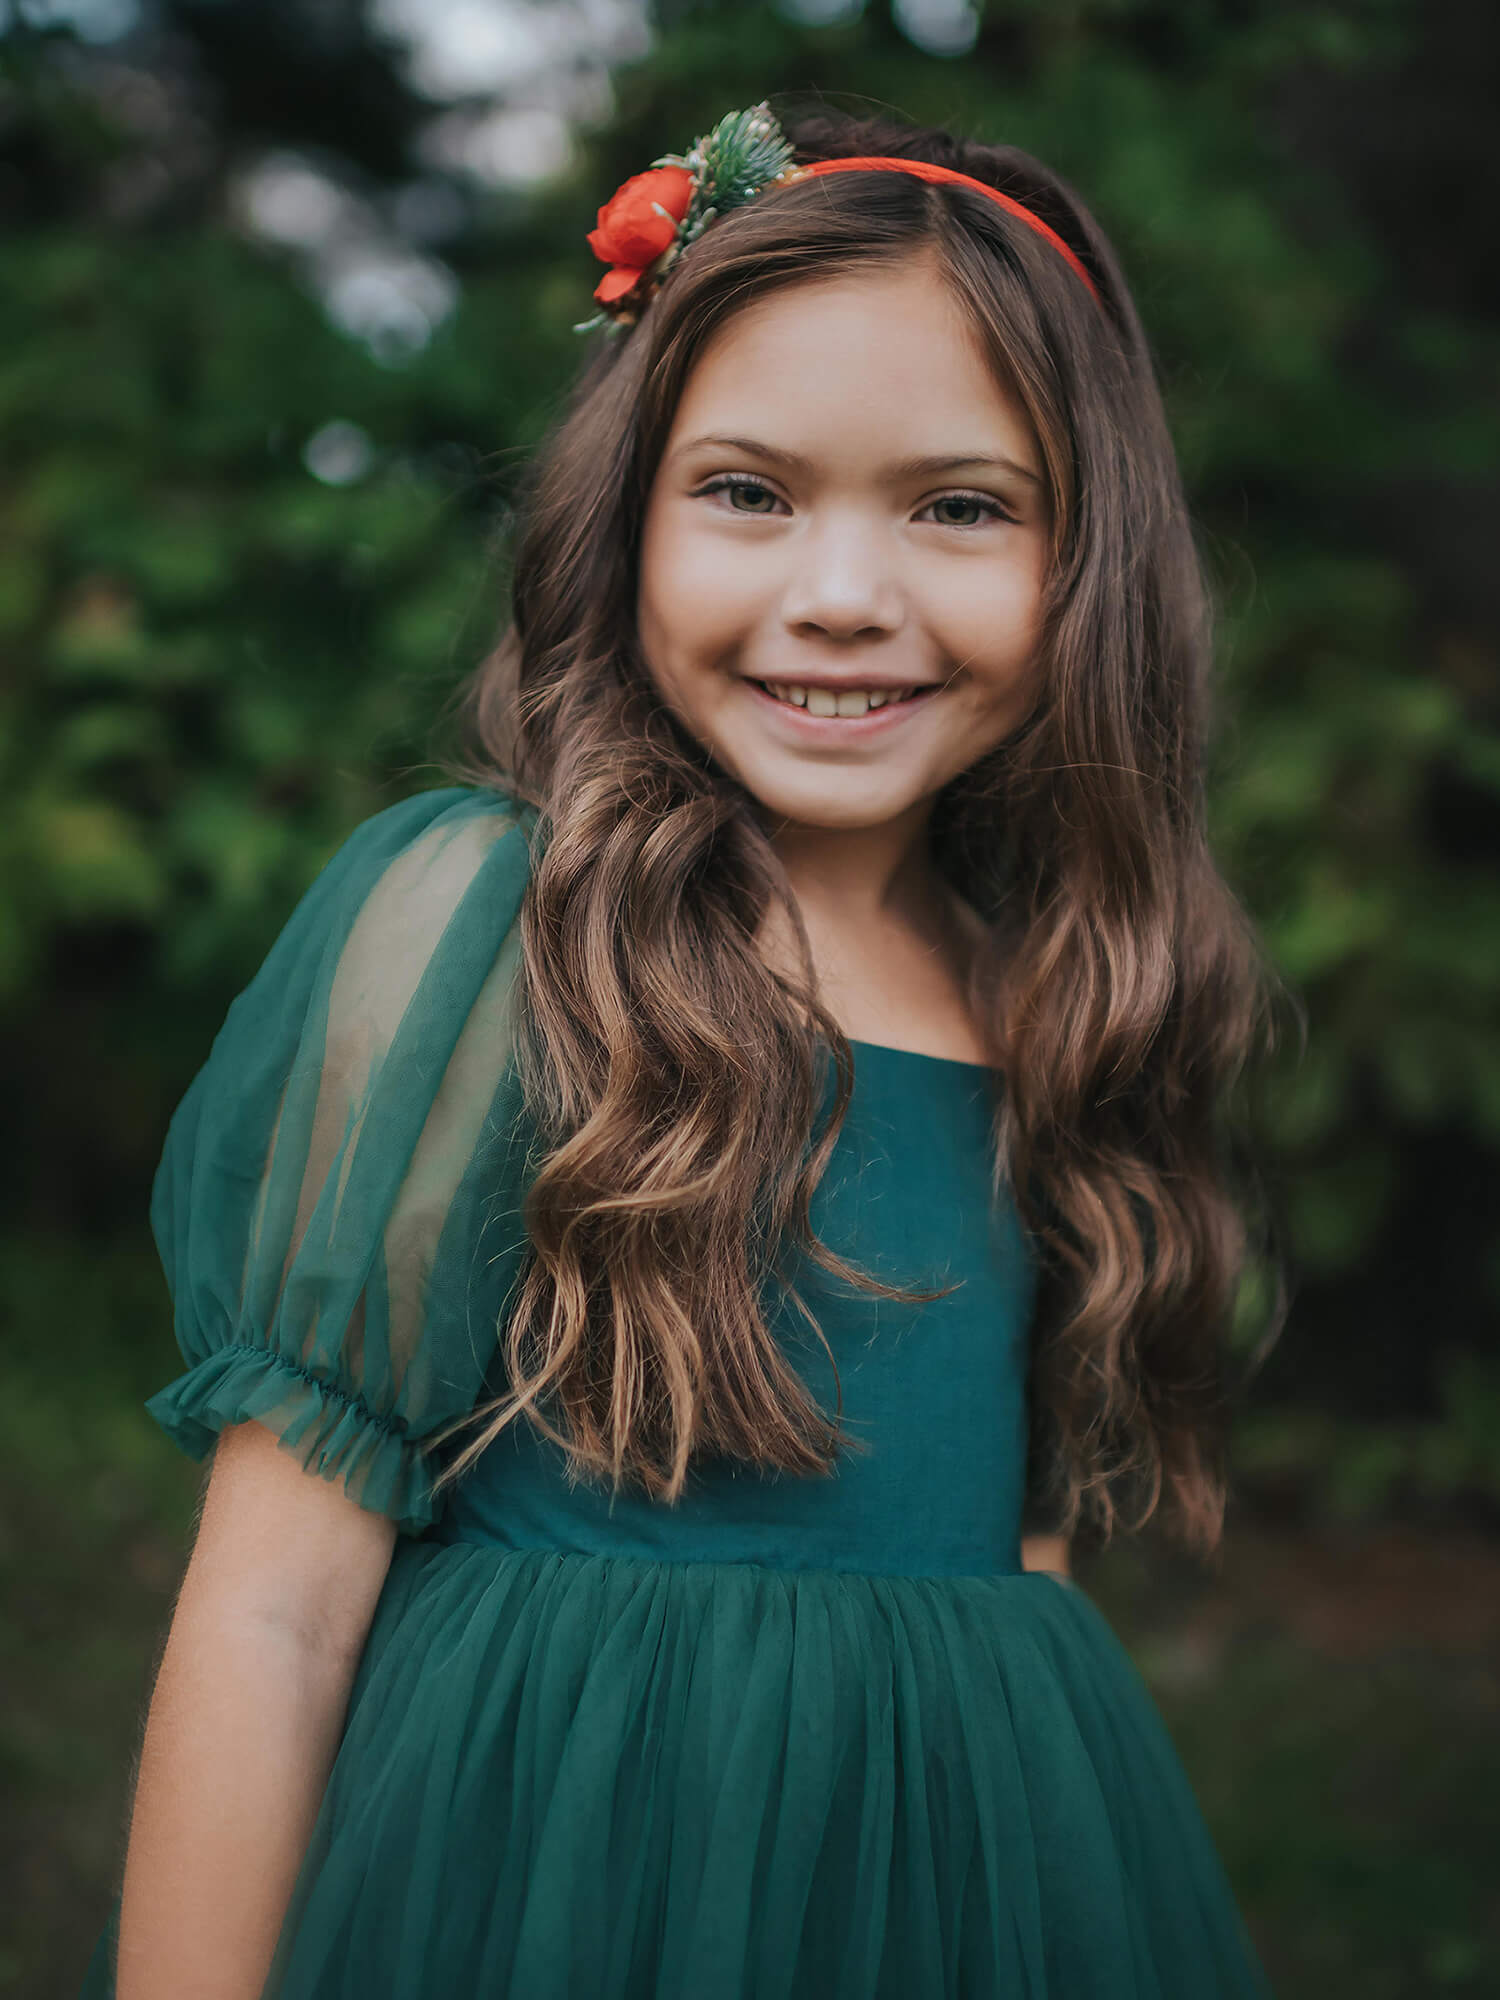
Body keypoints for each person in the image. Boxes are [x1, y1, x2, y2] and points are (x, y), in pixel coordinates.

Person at [81, 99, 1285, 1998]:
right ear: (624, 516)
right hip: (546, 1885)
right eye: (750, 491)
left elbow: (1019, 1573)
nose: (841, 595)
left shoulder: (1061, 989)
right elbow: (277, 1616)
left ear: (1089, 565)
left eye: (959, 506)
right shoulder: (498, 926)